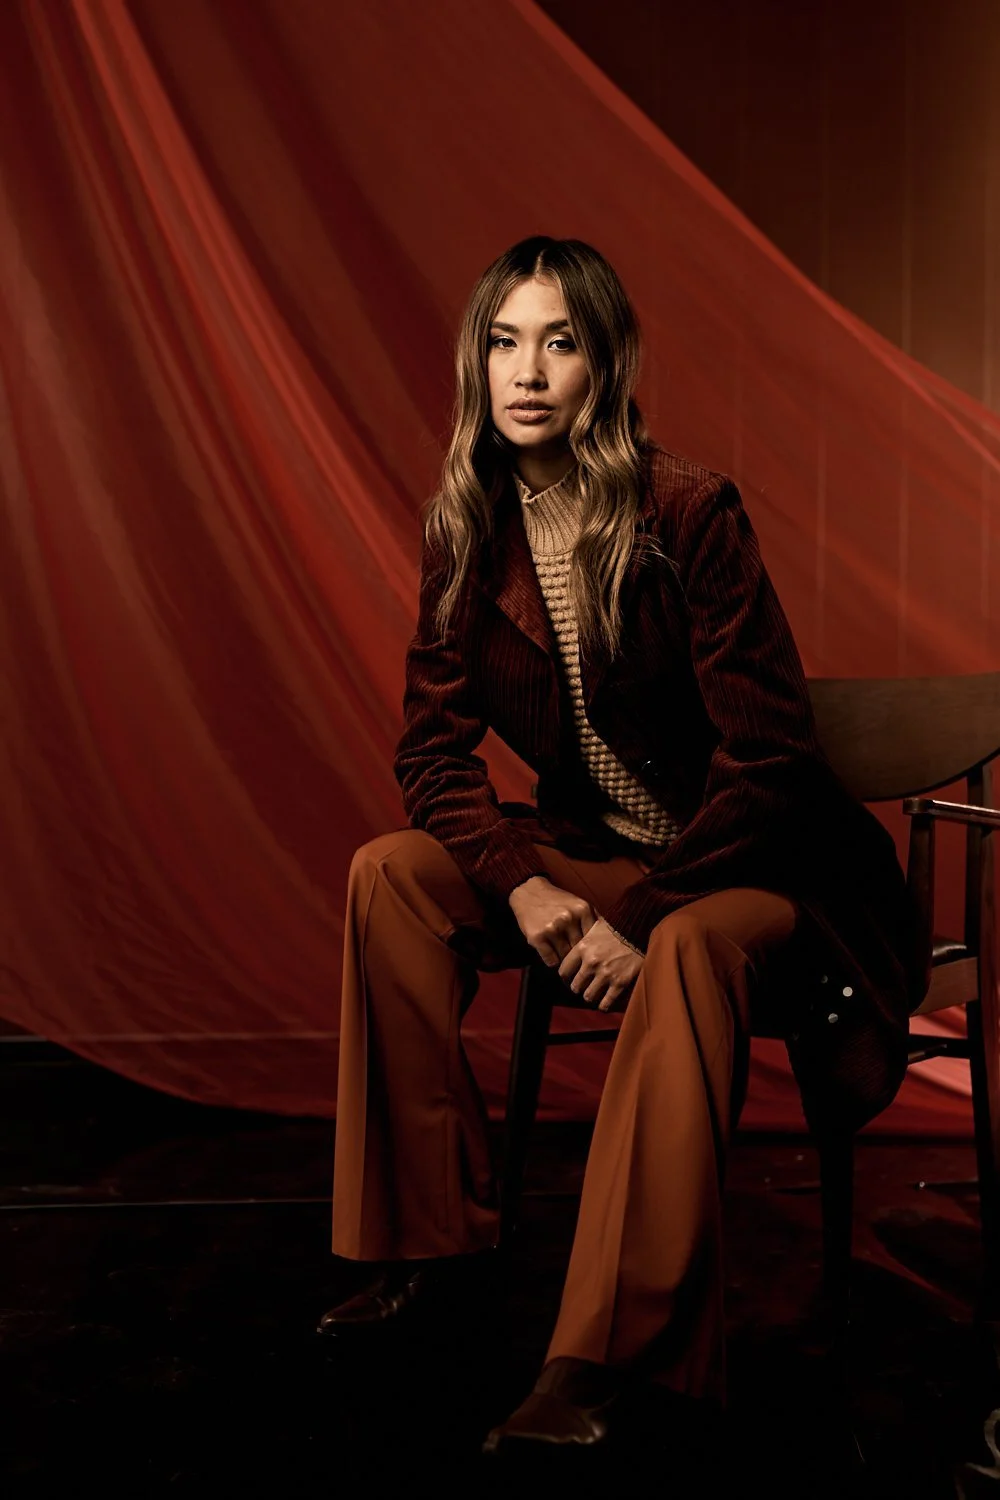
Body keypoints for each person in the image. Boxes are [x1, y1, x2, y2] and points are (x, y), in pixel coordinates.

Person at [316, 236, 927, 1453]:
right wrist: (529, 893)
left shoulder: (689, 513)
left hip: (761, 870)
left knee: (692, 951)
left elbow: (767, 761)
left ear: (606, 365)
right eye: (503, 340)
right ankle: (427, 1250)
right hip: (597, 852)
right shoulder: (466, 531)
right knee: (388, 873)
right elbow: (431, 758)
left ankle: (607, 1354)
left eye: (560, 341)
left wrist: (636, 917)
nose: (526, 371)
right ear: (475, 363)